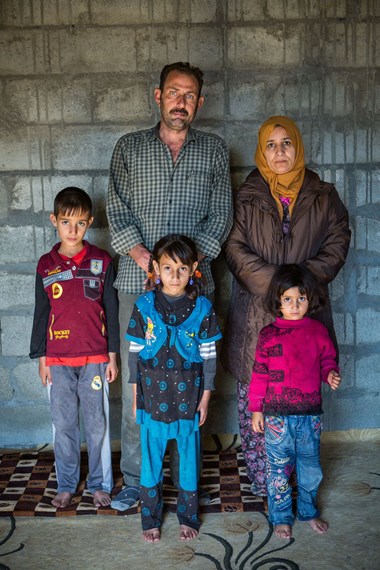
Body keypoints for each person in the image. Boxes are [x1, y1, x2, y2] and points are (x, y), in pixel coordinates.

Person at [107, 61, 232, 511]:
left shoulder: (214, 151)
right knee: (139, 382)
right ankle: (139, 481)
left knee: (192, 376)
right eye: (174, 93)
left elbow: (221, 216)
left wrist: (188, 266)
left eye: (190, 95)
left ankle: (185, 481)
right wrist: (145, 258)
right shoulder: (129, 148)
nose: (182, 102)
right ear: (157, 96)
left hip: (195, 287)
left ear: (199, 102)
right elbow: (116, 212)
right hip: (137, 285)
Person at [222, 115, 351, 497]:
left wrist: (299, 288)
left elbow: (337, 243)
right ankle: (267, 485)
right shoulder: (247, 195)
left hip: (306, 314)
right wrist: (280, 288)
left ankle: (296, 484)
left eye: (286, 143)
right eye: (271, 145)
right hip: (257, 317)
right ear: (261, 151)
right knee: (259, 401)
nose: (280, 152)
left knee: (300, 403)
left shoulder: (324, 195)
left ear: (298, 145)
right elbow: (234, 248)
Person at [125, 234, 222, 542]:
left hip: (188, 400)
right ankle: (150, 518)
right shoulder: (144, 306)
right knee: (151, 461)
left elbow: (209, 358)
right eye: (168, 268)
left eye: (182, 268)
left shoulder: (203, 308)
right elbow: (134, 355)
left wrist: (205, 398)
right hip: (152, 399)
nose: (175, 276)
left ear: (194, 268)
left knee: (189, 460)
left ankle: (187, 516)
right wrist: (135, 396)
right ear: (155, 268)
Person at [29, 187, 119, 509]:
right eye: (66, 222)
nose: (73, 230)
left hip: (95, 357)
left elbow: (111, 308)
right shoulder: (46, 265)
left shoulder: (102, 261)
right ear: (55, 220)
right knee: (63, 423)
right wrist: (41, 358)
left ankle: (99, 483)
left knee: (97, 424)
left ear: (89, 223)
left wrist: (112, 356)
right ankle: (66, 483)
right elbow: (41, 314)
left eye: (80, 223)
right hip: (58, 358)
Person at [249, 263, 341, 539]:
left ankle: (308, 511)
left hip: (309, 416)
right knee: (277, 470)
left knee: (310, 468)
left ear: (310, 299)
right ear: (277, 300)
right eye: (288, 299)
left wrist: (330, 374)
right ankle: (281, 517)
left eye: (301, 298)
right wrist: (256, 409)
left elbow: (327, 360)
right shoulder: (268, 335)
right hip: (276, 416)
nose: (295, 304)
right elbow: (259, 375)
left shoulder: (318, 331)